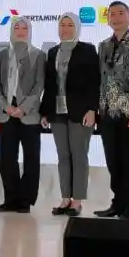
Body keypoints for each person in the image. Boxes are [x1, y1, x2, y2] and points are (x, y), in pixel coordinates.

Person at [93, 1, 129, 220]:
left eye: (120, 13)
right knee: (113, 161)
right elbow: (100, 81)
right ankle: (118, 203)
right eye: (112, 14)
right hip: (107, 114)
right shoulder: (103, 46)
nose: (116, 17)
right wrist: (98, 110)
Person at [41, 13, 100, 217]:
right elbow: (49, 85)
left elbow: (95, 82)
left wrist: (92, 109)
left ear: (76, 28)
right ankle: (65, 198)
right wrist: (45, 112)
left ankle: (77, 201)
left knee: (79, 155)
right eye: (62, 25)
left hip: (80, 112)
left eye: (69, 25)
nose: (65, 29)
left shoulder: (87, 50)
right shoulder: (52, 52)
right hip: (57, 112)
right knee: (63, 156)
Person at [0, 16, 46, 212]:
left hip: (29, 113)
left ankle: (25, 200)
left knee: (31, 158)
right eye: (17, 28)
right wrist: (5, 106)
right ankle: (11, 199)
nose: (21, 32)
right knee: (6, 159)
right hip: (6, 111)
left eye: (25, 28)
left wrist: (23, 108)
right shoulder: (2, 54)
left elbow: (39, 85)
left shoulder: (38, 55)